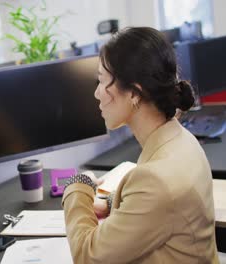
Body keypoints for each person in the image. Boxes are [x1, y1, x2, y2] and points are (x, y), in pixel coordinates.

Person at [62, 27, 219, 263]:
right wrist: (111, 203)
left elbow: (87, 256)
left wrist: (78, 187)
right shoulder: (181, 139)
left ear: (135, 92)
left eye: (102, 82)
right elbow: (163, 209)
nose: (96, 94)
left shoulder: (156, 180)